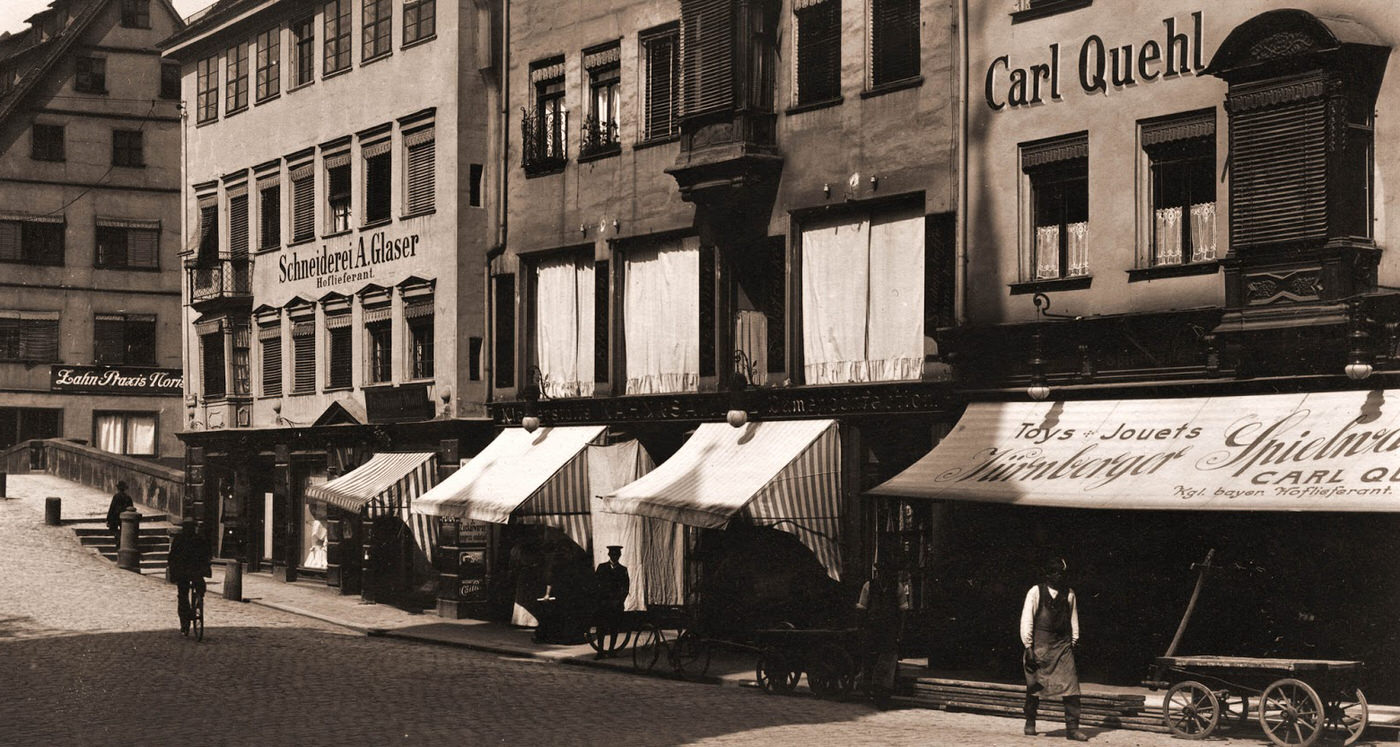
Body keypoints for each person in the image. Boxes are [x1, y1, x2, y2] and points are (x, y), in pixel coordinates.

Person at [1021, 557, 1087, 741]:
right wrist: (1028, 647)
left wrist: (1073, 642)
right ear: (1048, 574)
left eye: (1062, 573)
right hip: (1040, 646)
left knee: (1072, 689)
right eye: (1055, 572)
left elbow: (1074, 621)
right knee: (1034, 687)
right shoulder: (1036, 592)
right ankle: (1030, 722)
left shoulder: (1069, 594)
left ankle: (1072, 728)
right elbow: (1027, 619)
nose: (1059, 576)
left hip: (1062, 647)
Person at [857, 561, 910, 706]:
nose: (885, 575)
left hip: (889, 629)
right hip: (872, 628)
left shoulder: (897, 587)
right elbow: (862, 608)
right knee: (869, 659)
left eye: (888, 573)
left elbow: (903, 611)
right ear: (878, 572)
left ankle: (883, 691)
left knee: (888, 659)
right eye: (882, 572)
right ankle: (868, 689)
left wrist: (900, 632)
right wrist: (862, 628)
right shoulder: (869, 586)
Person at [168, 517, 212, 635]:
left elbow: (172, 557)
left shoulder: (179, 539)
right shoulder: (199, 539)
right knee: (200, 587)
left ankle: (185, 624)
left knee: (182, 596)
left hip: (183, 573)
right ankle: (199, 602)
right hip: (196, 572)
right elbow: (207, 555)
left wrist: (172, 572)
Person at [593, 545, 630, 659]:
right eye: (613, 554)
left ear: (619, 556)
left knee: (614, 627)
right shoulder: (602, 567)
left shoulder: (623, 570)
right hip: (603, 604)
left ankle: (611, 650)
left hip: (616, 604)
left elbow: (625, 588)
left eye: (617, 555)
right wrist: (599, 600)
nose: (615, 557)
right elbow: (595, 584)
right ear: (609, 555)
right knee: (601, 628)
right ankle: (600, 651)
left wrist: (619, 600)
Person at [105, 481, 134, 545]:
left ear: (118, 488)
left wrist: (108, 519)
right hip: (125, 517)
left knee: (114, 529)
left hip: (116, 516)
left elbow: (112, 508)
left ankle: (118, 539)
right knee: (123, 530)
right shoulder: (128, 498)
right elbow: (132, 508)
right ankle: (121, 540)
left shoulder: (116, 496)